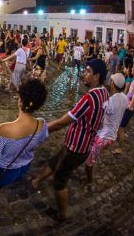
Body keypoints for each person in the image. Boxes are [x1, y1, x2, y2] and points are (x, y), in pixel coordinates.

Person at [30, 59, 109, 220]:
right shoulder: (104, 93)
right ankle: (37, 181)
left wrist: (39, 129)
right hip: (82, 145)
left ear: (97, 76)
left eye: (88, 71)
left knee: (59, 180)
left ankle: (62, 214)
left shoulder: (88, 98)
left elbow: (61, 122)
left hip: (76, 148)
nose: (84, 74)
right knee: (55, 161)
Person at [0, 78, 49, 236]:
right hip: (24, 167)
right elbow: (42, 139)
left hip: (1, 171)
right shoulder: (42, 124)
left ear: (20, 100)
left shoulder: (4, 129)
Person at [85, 72, 128, 183]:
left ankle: (89, 180)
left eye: (112, 81)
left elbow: (100, 116)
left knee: (89, 160)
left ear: (113, 84)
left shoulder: (111, 101)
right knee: (90, 152)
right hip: (112, 135)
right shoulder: (124, 97)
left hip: (103, 136)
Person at [112, 61, 134, 155]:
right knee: (120, 127)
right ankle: (119, 141)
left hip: (129, 108)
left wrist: (129, 107)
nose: (132, 69)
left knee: (121, 128)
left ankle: (120, 148)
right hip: (127, 106)